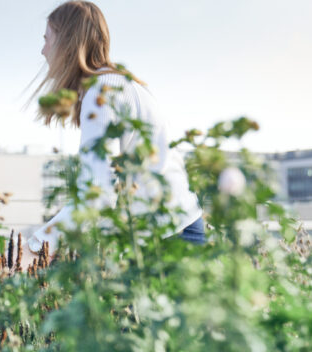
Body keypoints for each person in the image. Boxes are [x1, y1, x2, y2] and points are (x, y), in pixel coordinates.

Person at [24, 1, 205, 263]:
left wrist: (36, 246)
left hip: (170, 241)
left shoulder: (102, 91)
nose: (43, 51)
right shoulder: (117, 83)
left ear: (67, 43)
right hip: (175, 231)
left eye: (47, 39)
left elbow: (97, 194)